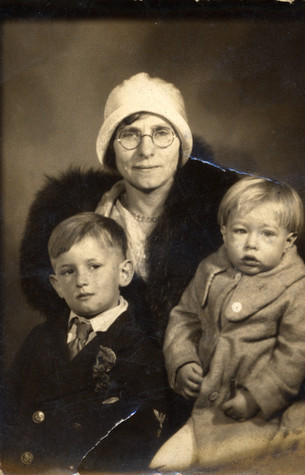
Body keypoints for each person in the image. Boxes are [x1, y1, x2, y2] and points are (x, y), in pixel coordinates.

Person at [19, 72, 239, 436]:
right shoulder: (77, 218)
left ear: (181, 146)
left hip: (204, 398)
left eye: (161, 132)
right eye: (129, 134)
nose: (146, 150)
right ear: (110, 148)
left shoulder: (225, 220)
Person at [150, 176, 305, 470]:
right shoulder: (211, 269)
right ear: (224, 233)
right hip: (207, 411)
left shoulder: (299, 290)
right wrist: (182, 361)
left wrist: (257, 396)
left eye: (267, 234)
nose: (251, 244)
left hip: (260, 417)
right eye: (241, 231)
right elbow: (184, 317)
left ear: (288, 240)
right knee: (160, 466)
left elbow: (295, 354)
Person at [2, 212, 166, 474]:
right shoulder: (40, 337)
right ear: (57, 285)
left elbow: (140, 432)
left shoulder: (142, 348)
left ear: (124, 272)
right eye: (68, 271)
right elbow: (7, 402)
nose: (81, 280)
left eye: (94, 266)